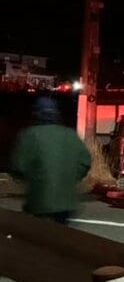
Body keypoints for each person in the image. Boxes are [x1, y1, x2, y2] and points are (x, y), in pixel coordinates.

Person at [10, 96, 92, 225]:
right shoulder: (70, 134)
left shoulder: (29, 135)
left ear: (37, 113)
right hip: (67, 202)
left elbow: (18, 166)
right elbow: (85, 161)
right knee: (59, 237)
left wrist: (31, 180)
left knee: (38, 238)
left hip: (39, 201)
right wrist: (71, 178)